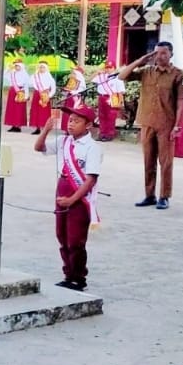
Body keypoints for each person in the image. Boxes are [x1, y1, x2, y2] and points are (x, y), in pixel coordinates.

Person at [34, 103, 102, 291]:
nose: (71, 124)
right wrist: (46, 130)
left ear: (88, 125)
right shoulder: (64, 141)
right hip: (62, 188)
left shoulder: (92, 148)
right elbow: (38, 147)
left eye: (76, 121)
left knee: (76, 240)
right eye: (70, 120)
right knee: (62, 235)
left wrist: (72, 200)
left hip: (78, 196)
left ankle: (78, 277)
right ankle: (68, 274)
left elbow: (90, 180)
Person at [116, 42, 183, 210]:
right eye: (156, 53)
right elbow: (122, 76)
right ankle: (149, 195)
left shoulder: (178, 75)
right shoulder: (146, 72)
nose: (159, 56)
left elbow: (180, 104)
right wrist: (140, 60)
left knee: (166, 162)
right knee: (148, 161)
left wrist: (177, 126)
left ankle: (164, 196)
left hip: (166, 124)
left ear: (171, 55)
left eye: (163, 53)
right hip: (147, 122)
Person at [93, 63, 125, 142]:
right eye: (107, 67)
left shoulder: (117, 77)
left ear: (114, 68)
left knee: (111, 117)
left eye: (110, 67)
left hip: (113, 97)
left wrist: (121, 102)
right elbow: (92, 80)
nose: (108, 69)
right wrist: (97, 72)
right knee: (101, 116)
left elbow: (121, 91)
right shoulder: (102, 77)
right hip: (102, 97)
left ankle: (109, 135)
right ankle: (102, 134)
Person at [28, 62, 55, 135]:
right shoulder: (35, 76)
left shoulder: (49, 77)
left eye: (43, 67)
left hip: (45, 95)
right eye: (40, 67)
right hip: (37, 95)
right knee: (36, 111)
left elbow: (53, 88)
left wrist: (49, 96)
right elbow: (30, 83)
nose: (41, 69)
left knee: (44, 112)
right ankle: (37, 128)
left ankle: (44, 128)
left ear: (46, 68)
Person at [4, 59, 30, 133]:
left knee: (19, 109)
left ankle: (18, 126)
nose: (16, 67)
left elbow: (26, 85)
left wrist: (26, 95)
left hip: (21, 92)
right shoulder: (12, 73)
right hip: (12, 92)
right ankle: (13, 125)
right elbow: (4, 75)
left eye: (18, 66)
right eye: (15, 66)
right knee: (12, 109)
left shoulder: (24, 74)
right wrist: (8, 68)